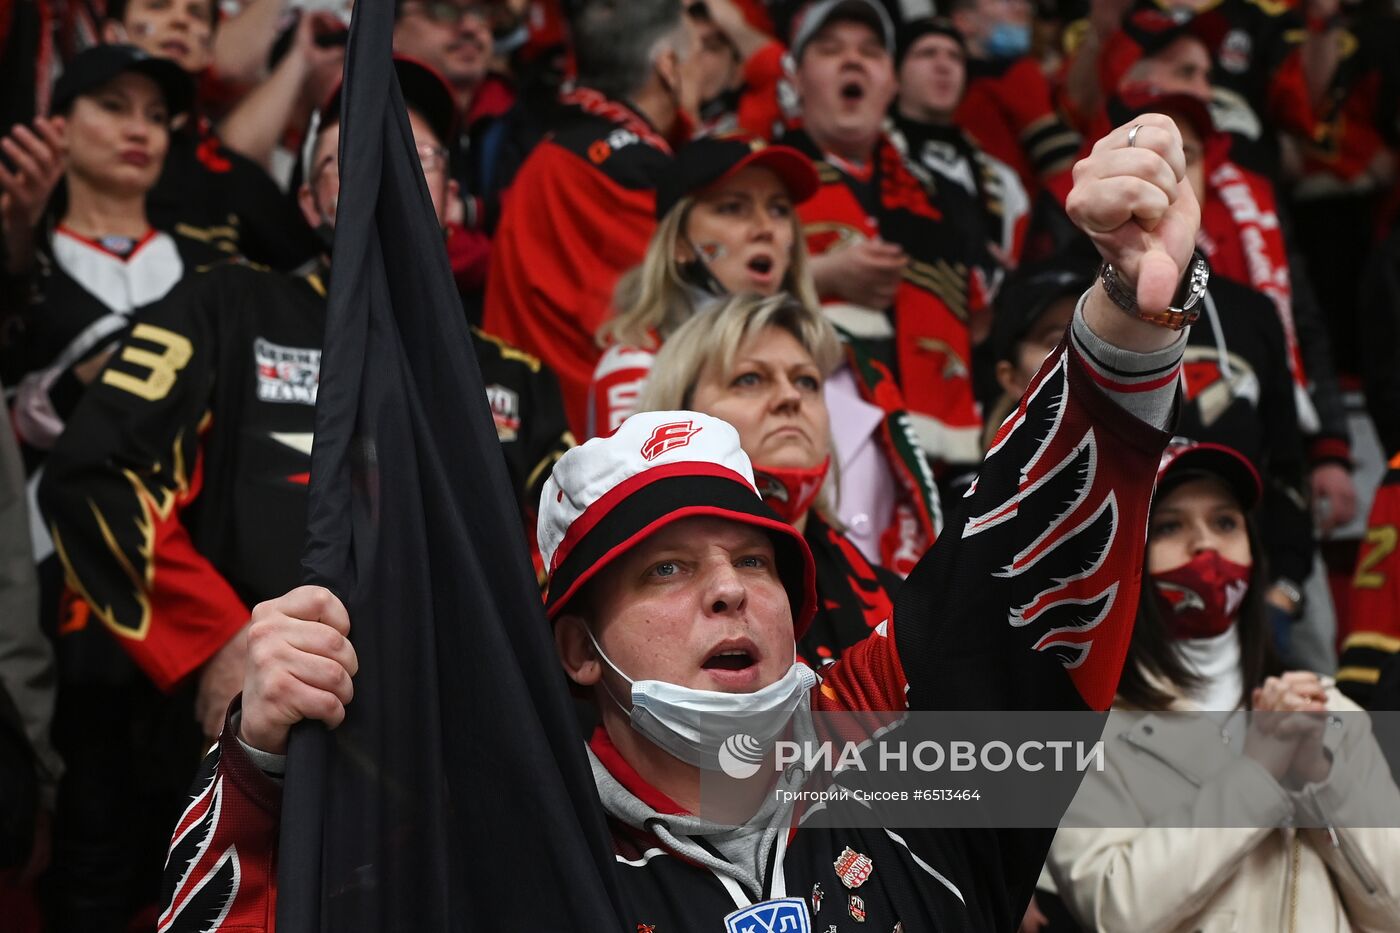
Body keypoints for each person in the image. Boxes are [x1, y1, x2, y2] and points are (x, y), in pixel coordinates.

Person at [160, 113, 1205, 931]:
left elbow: (1012, 579)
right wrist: (259, 775)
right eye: (662, 570)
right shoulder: (492, 864)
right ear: (573, 647)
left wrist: (1123, 315)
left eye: (754, 559)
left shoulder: (907, 782)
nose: (727, 589)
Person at [37, 58, 570, 929]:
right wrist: (218, 649)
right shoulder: (225, 304)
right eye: (352, 153)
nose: (391, 164)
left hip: (455, 770)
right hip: (252, 752)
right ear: (314, 197)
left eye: (423, 156)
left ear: (457, 201)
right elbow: (98, 473)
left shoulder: (511, 375)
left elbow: (573, 539)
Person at [1046, 438, 1400, 931]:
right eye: (1170, 526)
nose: (1205, 544)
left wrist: (1321, 775)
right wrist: (1256, 774)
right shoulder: (1081, 734)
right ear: (1121, 552)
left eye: (1225, 522)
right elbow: (1116, 910)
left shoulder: (1329, 708)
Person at [590, 134, 940, 576]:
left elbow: (907, 519)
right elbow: (637, 539)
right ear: (679, 244)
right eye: (733, 208)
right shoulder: (635, 362)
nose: (765, 228)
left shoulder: (852, 360)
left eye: (778, 209)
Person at [780, 0, 991, 483]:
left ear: (891, 83)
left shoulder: (947, 197)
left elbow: (981, 322)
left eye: (871, 52)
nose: (852, 61)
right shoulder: (758, 179)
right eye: (830, 50)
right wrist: (820, 276)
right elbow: (700, 297)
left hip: (936, 459)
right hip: (804, 437)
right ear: (796, 79)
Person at [636, 292, 900, 664]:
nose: (790, 396)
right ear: (679, 416)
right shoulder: (631, 596)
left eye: (806, 381)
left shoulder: (900, 607)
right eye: (750, 379)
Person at [1, 45, 223, 465]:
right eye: (113, 106)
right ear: (57, 127)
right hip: (44, 522)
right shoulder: (24, 263)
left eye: (156, 117)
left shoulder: (211, 267)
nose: (139, 131)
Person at [482, 0, 691, 435]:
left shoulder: (556, 148)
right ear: (669, 68)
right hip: (594, 457)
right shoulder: (629, 174)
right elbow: (681, 313)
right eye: (704, 48)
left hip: (530, 439)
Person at [98, 0, 327, 270]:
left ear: (209, 49)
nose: (181, 21)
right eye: (158, 6)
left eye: (196, 13)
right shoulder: (71, 145)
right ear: (114, 34)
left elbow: (308, 276)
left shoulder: (235, 176)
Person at [888, 16, 1030, 278]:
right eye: (926, 53)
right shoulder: (869, 159)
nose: (944, 66)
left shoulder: (1004, 181)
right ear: (894, 75)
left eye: (955, 57)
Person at [947, 0, 1082, 195]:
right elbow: (1062, 168)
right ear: (963, 21)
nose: (1022, 8)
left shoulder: (1021, 74)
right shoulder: (1016, 75)